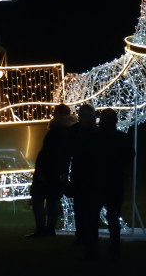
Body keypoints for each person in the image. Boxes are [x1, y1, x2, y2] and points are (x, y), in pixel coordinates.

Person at [27, 104, 76, 237]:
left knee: (38, 198)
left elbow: (49, 152)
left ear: (59, 114)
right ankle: (49, 228)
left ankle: (42, 229)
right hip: (57, 171)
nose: (53, 115)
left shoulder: (57, 130)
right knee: (52, 200)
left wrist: (42, 171)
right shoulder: (70, 130)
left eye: (55, 112)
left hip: (48, 170)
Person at [97, 108, 134, 259]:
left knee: (93, 214)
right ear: (116, 121)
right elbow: (131, 155)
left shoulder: (93, 137)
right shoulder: (122, 138)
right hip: (115, 180)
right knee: (114, 215)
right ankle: (115, 246)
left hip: (96, 180)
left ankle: (91, 247)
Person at [68, 104, 101, 258]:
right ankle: (82, 236)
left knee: (90, 209)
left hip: (92, 175)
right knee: (80, 208)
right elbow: (68, 152)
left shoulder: (96, 133)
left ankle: (89, 239)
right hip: (81, 175)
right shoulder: (76, 132)